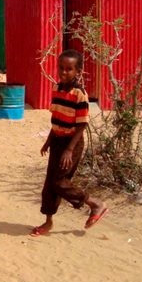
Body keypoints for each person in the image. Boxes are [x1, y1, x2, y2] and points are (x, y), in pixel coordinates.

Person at [31, 49, 109, 237]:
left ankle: (95, 204)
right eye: (61, 68)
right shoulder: (57, 89)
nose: (64, 72)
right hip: (57, 141)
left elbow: (82, 125)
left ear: (78, 71)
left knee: (59, 182)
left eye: (69, 69)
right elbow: (56, 120)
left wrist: (69, 150)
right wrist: (48, 142)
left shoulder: (80, 95)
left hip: (71, 144)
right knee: (49, 185)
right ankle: (48, 222)